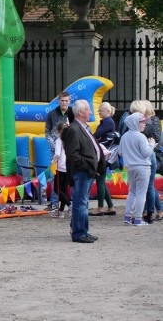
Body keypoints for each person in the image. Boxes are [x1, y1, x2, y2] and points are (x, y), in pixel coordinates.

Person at [61, 100, 104, 243]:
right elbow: (72, 154)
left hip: (87, 170)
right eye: (88, 109)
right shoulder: (74, 129)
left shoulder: (83, 128)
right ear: (80, 112)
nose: (91, 112)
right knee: (80, 202)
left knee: (83, 203)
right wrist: (87, 165)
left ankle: (83, 231)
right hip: (81, 171)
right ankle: (79, 233)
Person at [121, 111, 155, 226]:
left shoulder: (125, 136)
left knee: (132, 192)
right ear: (135, 123)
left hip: (130, 167)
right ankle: (138, 219)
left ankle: (127, 216)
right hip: (143, 167)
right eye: (142, 122)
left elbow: (120, 152)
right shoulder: (141, 137)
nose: (144, 124)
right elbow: (146, 153)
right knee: (141, 193)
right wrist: (152, 145)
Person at [45, 92, 74, 210]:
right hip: (56, 149)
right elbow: (47, 132)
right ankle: (54, 202)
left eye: (66, 101)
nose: (64, 103)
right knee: (54, 176)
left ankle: (66, 203)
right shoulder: (52, 114)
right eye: (62, 100)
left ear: (69, 101)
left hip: (69, 149)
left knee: (67, 178)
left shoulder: (72, 113)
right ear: (59, 101)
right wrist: (54, 146)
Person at [91, 102, 117, 216]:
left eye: (100, 110)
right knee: (101, 181)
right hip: (105, 153)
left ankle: (100, 207)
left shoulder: (107, 122)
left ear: (107, 111)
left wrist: (95, 137)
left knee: (100, 181)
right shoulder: (108, 122)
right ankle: (110, 206)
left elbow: (97, 135)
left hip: (103, 154)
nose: (98, 112)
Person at [138, 101, 162, 224]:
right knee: (149, 185)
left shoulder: (152, 121)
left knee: (149, 185)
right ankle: (159, 209)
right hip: (146, 153)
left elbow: (158, 138)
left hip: (151, 153)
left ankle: (149, 211)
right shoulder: (146, 121)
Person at [50, 123, 72, 219]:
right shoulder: (70, 140)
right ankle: (61, 211)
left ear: (59, 132)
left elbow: (57, 154)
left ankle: (69, 204)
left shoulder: (59, 140)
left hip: (60, 166)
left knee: (57, 189)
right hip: (68, 166)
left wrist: (53, 161)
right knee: (64, 189)